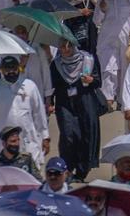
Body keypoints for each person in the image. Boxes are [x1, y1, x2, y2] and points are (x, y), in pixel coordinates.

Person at [0, 56, 49, 170]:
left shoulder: (30, 86)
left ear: (19, 68)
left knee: (31, 177)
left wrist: (45, 137)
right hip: (2, 145)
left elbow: (38, 113)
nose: (11, 72)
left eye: (13, 68)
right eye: (7, 69)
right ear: (1, 70)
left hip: (27, 141)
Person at [49, 39, 103, 182]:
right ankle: (67, 168)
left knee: (85, 135)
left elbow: (98, 81)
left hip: (85, 101)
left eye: (68, 46)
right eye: (62, 47)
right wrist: (49, 101)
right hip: (64, 103)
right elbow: (52, 86)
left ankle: (81, 171)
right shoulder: (56, 64)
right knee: (68, 135)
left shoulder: (88, 60)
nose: (65, 50)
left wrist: (91, 79)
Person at [94, 0, 130, 106]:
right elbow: (96, 21)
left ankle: (122, 100)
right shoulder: (102, 0)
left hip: (125, 39)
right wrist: (101, 10)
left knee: (125, 70)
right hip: (107, 39)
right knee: (108, 68)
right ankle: (108, 99)